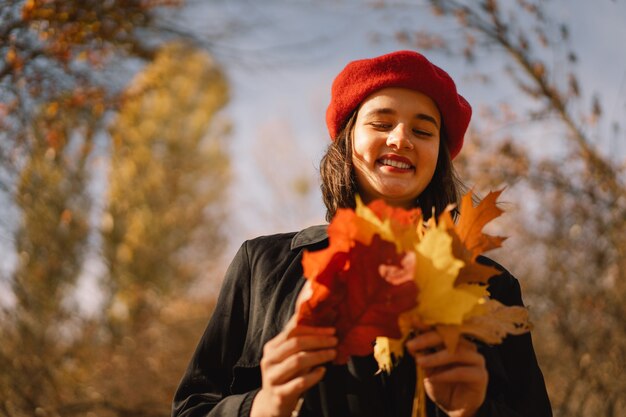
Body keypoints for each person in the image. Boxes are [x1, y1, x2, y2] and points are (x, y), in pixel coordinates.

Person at [171, 50, 552, 417]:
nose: (401, 139)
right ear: (348, 140)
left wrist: (472, 411)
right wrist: (263, 407)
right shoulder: (261, 266)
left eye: (422, 130)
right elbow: (193, 406)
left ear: (439, 155)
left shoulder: (491, 286)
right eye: (382, 123)